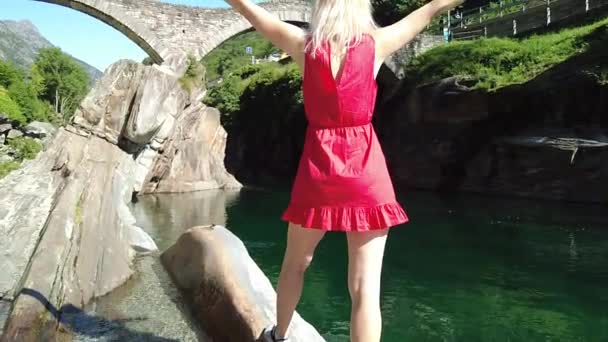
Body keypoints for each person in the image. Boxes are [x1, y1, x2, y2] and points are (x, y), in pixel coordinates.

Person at [225, 1, 463, 341]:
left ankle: (278, 336)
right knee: (365, 288)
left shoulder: (302, 46)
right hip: (367, 171)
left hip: (319, 171)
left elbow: (251, 13)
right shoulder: (377, 43)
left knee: (295, 264)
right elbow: (432, 8)